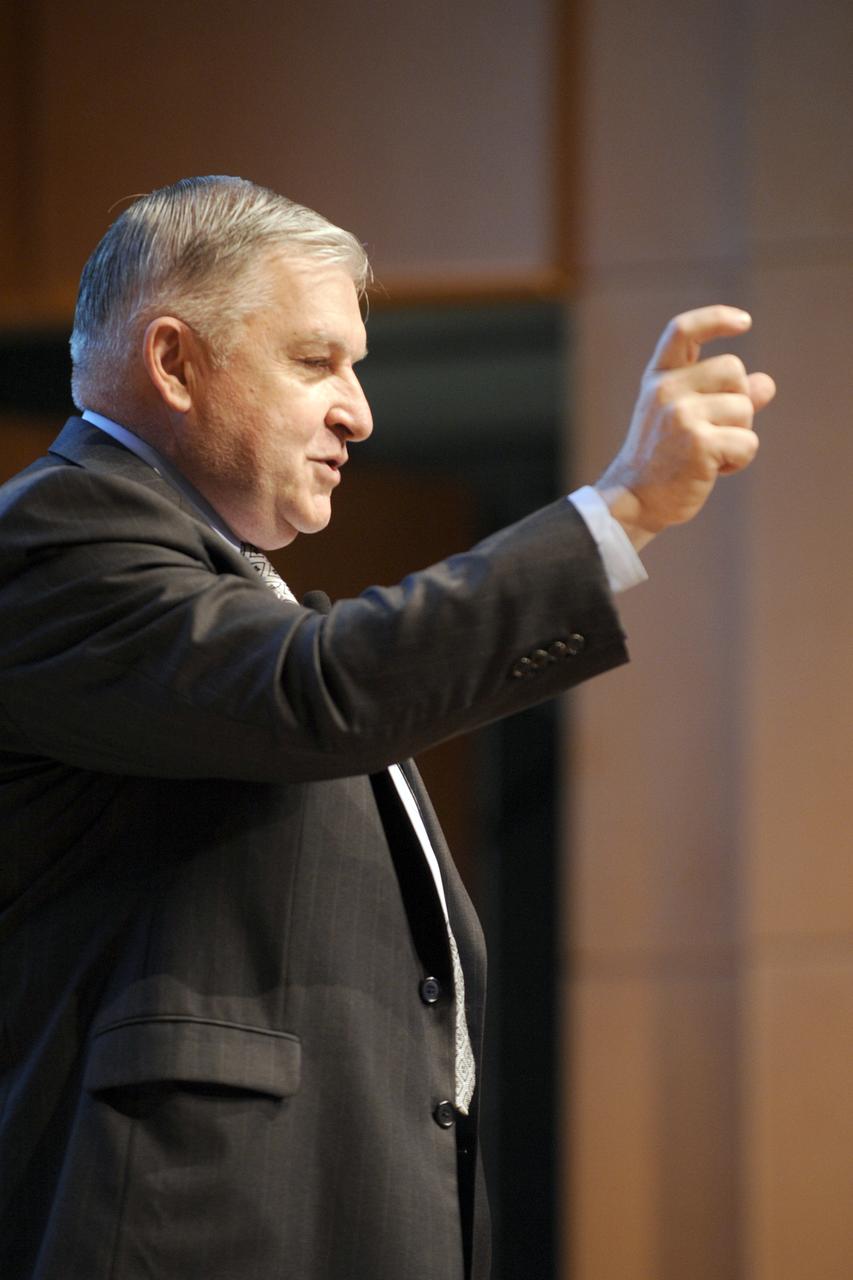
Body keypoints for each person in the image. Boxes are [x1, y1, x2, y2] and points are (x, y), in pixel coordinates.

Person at [0, 176, 775, 1280]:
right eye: (316, 362)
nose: (359, 410)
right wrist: (622, 510)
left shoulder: (216, 590)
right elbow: (320, 689)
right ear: (173, 361)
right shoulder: (56, 541)